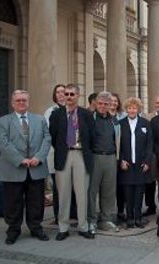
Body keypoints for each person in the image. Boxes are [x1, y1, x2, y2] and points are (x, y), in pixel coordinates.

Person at [0, 89, 51, 245]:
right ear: (13, 103)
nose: (21, 103)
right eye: (18, 100)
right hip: (13, 168)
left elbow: (47, 139)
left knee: (36, 201)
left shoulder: (40, 120)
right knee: (13, 202)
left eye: (24, 100)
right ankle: (13, 230)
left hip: (36, 167)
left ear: (28, 102)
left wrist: (38, 158)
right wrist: (20, 160)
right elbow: (3, 143)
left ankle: (36, 228)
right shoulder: (2, 121)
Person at [49, 84, 95, 240]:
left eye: (72, 94)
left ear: (78, 96)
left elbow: (92, 136)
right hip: (64, 155)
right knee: (63, 193)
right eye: (66, 94)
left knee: (82, 192)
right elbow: (53, 137)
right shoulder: (56, 114)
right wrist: (64, 148)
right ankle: (63, 227)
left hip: (81, 155)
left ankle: (83, 226)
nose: (68, 97)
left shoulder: (86, 114)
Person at [44, 84, 77, 225]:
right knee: (59, 188)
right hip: (56, 154)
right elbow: (50, 134)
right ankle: (59, 216)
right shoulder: (51, 111)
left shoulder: (75, 111)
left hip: (74, 154)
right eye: (58, 92)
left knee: (74, 186)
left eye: (64, 92)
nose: (61, 94)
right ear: (55, 95)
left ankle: (73, 214)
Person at [88, 91, 120, 233]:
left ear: (109, 105)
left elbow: (118, 139)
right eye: (100, 103)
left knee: (109, 191)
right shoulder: (90, 118)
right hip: (95, 157)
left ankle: (106, 219)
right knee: (92, 191)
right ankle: (91, 220)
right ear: (95, 103)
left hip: (111, 157)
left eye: (105, 104)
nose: (102, 106)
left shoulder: (114, 120)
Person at [119, 97, 153, 228]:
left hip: (140, 164)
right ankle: (129, 218)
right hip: (126, 164)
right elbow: (118, 144)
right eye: (129, 108)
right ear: (126, 109)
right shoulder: (120, 123)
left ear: (138, 109)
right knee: (128, 193)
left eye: (134, 108)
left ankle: (138, 218)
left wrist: (147, 162)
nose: (132, 110)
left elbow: (149, 144)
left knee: (139, 192)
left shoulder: (145, 123)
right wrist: (121, 159)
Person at [142, 95, 159, 216]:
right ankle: (151, 206)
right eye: (158, 103)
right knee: (149, 182)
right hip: (152, 154)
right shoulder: (147, 117)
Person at [109, 93, 128, 222]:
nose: (114, 103)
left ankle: (121, 210)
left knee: (120, 186)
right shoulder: (102, 116)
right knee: (108, 186)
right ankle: (108, 212)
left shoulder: (122, 117)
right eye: (111, 101)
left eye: (116, 101)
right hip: (107, 155)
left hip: (120, 155)